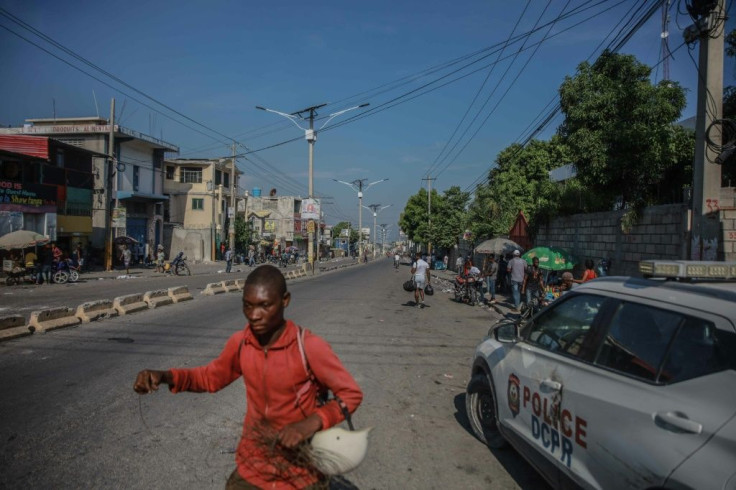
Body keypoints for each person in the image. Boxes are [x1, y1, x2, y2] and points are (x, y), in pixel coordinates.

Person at [133, 265, 363, 489]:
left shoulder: (309, 347)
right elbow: (210, 378)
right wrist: (164, 376)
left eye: (264, 306)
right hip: (253, 464)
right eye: (248, 306)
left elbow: (351, 394)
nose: (254, 315)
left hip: (301, 473)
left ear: (285, 301)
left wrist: (310, 423)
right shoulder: (241, 343)